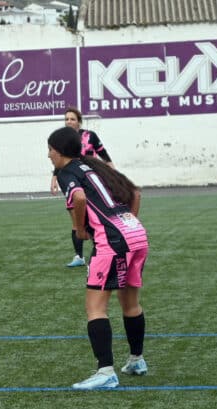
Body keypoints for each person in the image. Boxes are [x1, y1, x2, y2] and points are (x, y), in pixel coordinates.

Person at [47, 126, 149, 390]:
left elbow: (79, 198)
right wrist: (127, 225)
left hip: (113, 241)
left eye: (50, 150)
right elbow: (135, 193)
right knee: (130, 303)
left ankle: (105, 372)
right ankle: (136, 360)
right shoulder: (94, 166)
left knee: (95, 307)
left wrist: (79, 229)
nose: (48, 155)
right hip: (135, 233)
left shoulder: (67, 172)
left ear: (60, 151)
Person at [51, 107, 115, 268]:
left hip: (89, 182)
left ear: (79, 122)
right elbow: (59, 161)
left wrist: (113, 173)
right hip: (71, 181)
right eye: (66, 119)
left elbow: (104, 154)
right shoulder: (62, 140)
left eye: (72, 119)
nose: (69, 122)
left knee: (95, 220)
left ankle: (101, 252)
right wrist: (54, 178)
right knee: (76, 220)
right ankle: (79, 256)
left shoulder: (90, 136)